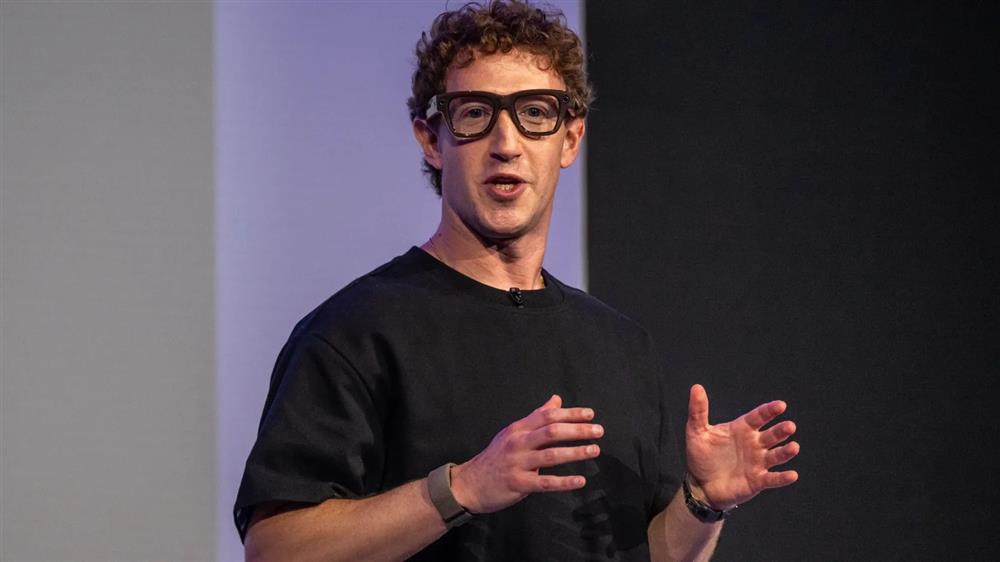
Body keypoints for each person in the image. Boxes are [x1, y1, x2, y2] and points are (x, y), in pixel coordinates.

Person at [234, 1, 800, 560]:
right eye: (476, 112)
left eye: (535, 112)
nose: (506, 144)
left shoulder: (620, 347)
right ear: (432, 139)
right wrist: (462, 489)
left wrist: (701, 503)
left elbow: (644, 553)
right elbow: (276, 549)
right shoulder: (355, 332)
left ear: (570, 139)